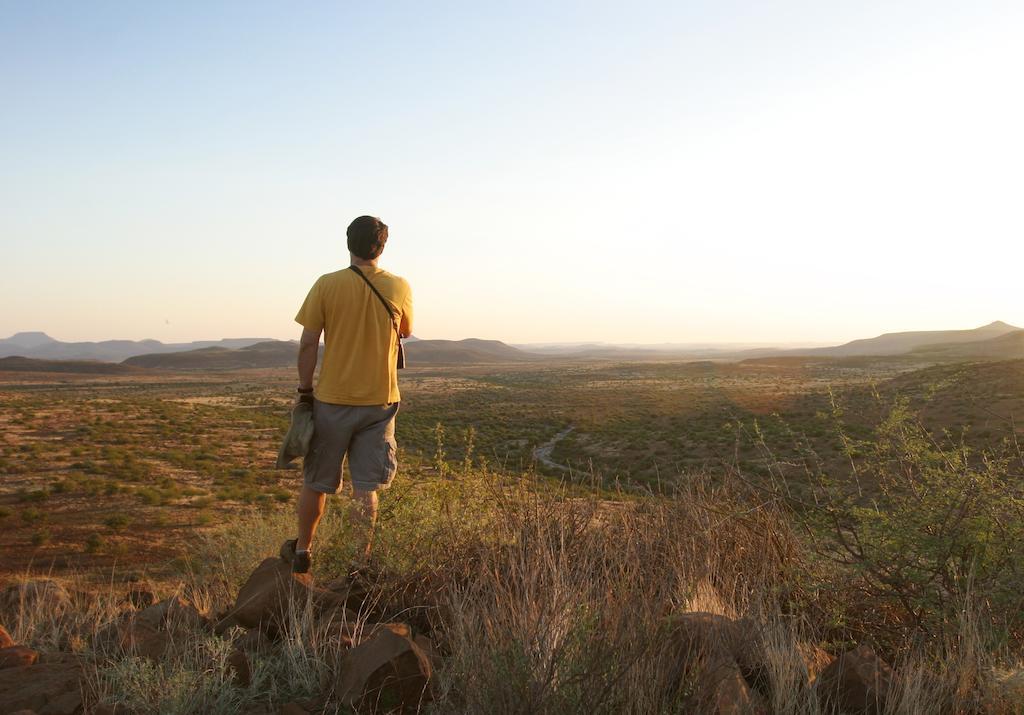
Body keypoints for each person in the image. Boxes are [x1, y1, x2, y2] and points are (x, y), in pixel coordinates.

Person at [286, 215, 413, 574]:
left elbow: (309, 342)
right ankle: (360, 563)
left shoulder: (326, 285)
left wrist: (304, 391)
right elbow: (406, 329)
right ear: (382, 246)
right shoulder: (399, 286)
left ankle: (303, 550)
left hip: (331, 401)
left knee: (317, 481)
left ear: (348, 243)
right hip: (380, 401)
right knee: (366, 487)